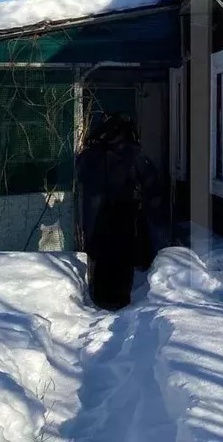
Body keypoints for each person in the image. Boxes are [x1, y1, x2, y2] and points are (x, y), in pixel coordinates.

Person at [76, 113, 162, 309]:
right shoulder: (132, 152)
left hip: (95, 215)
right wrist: (150, 201)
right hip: (122, 212)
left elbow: (80, 177)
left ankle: (100, 296)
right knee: (122, 255)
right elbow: (150, 179)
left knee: (100, 255)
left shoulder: (89, 153)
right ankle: (120, 299)